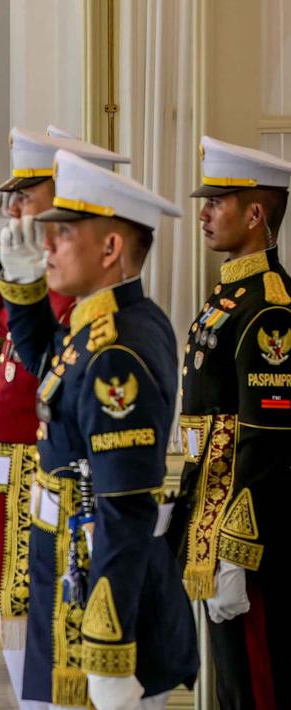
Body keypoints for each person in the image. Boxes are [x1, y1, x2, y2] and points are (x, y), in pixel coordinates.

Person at [0, 149, 198, 709]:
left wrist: (110, 645)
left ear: (110, 248)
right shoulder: (104, 321)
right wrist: (23, 287)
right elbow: (49, 368)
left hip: (97, 597)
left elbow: (124, 507)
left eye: (63, 233)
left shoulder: (116, 351)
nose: (47, 244)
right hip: (68, 572)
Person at [0, 127, 127, 707]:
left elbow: (39, 349)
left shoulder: (72, 282)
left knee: (36, 616)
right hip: (9, 463)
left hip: (37, 461)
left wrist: (20, 271)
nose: (14, 207)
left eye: (26, 195)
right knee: (12, 613)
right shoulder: (46, 272)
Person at [171, 137, 291, 709]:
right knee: (231, 681)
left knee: (256, 684)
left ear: (255, 213)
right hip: (211, 516)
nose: (204, 213)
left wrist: (236, 550)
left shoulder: (268, 307)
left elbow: (265, 442)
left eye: (217, 202)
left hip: (249, 532)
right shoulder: (232, 293)